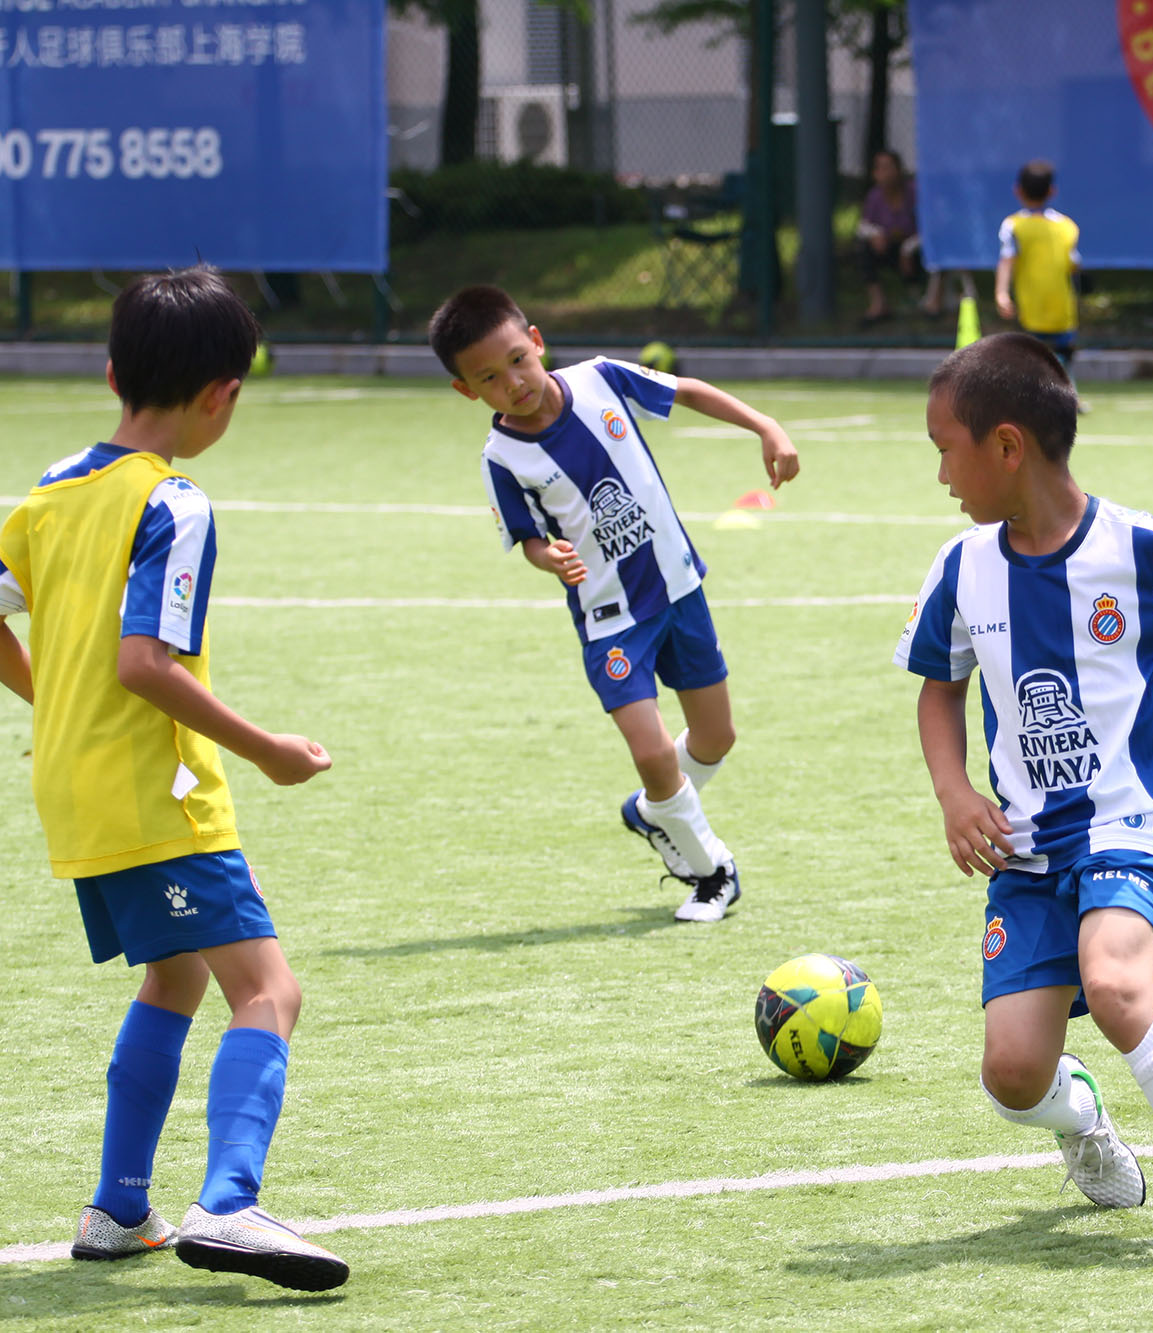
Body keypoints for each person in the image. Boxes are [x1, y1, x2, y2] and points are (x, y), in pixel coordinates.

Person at [895, 333, 1153, 1268]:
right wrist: (954, 792)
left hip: (1133, 820)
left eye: (945, 448)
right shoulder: (962, 566)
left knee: (1117, 981)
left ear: (1006, 446)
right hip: (1025, 849)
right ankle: (1083, 1122)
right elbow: (938, 686)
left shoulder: (1136, 547)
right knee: (1011, 1072)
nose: (941, 472)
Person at [0, 267, 348, 1289]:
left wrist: (51, 705)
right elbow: (144, 664)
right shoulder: (174, 502)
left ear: (113, 372)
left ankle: (119, 1207)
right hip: (159, 792)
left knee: (177, 974)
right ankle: (231, 1204)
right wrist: (269, 750)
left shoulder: (49, 491)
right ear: (221, 395)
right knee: (269, 990)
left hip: (71, 789)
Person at [427, 286, 800, 922]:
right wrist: (551, 559)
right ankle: (712, 871)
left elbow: (685, 391)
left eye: (517, 359)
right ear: (469, 392)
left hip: (680, 588)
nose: (512, 382)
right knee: (653, 752)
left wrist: (765, 425)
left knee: (716, 736)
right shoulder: (502, 457)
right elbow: (527, 541)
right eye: (489, 378)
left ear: (537, 342)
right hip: (610, 619)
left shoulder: (601, 378)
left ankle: (656, 812)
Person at [995, 160, 1082, 371]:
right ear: (1052, 191)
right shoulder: (1067, 226)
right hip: (1063, 309)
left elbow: (1007, 260)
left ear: (1018, 191)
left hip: (1031, 308)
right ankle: (1069, 396)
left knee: (1029, 362)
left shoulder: (1014, 225)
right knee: (1062, 360)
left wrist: (1001, 293)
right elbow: (1074, 266)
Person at [857, 150, 941, 321]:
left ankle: (933, 303)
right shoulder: (875, 197)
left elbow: (932, 227)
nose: (884, 173)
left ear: (898, 169)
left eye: (888, 167)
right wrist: (876, 234)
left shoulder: (914, 192)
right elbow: (863, 226)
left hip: (918, 248)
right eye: (879, 168)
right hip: (890, 249)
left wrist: (908, 248)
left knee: (938, 249)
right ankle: (879, 305)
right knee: (864, 248)